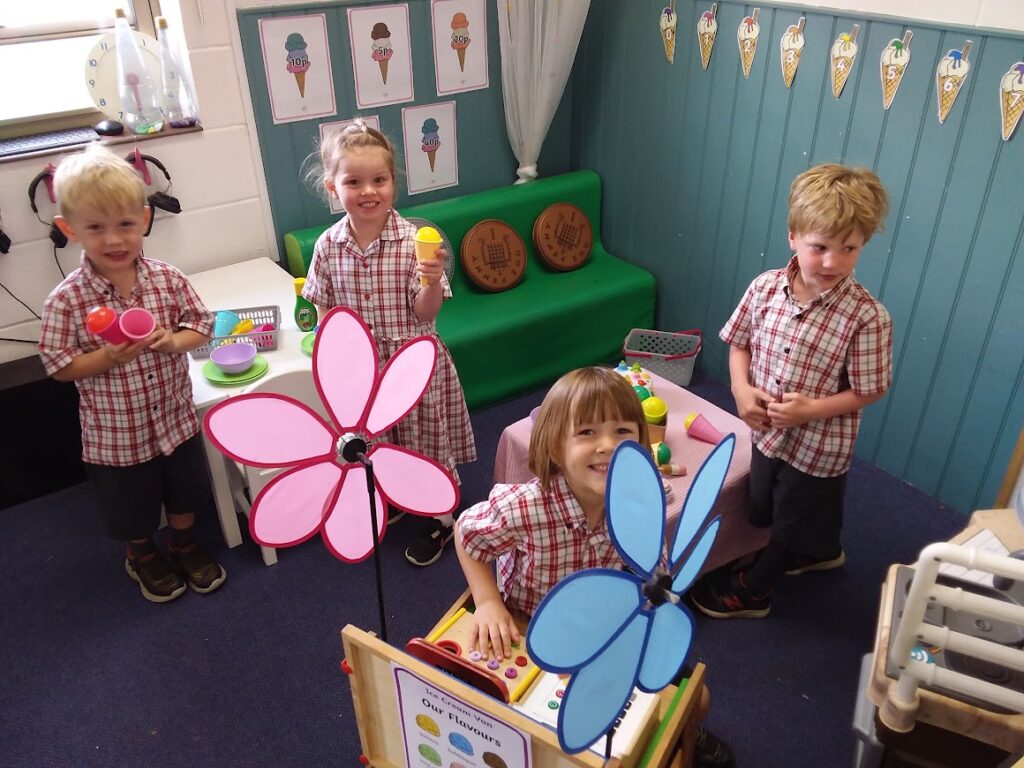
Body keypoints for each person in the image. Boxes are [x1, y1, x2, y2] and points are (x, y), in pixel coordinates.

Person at [456, 367, 734, 767]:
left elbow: (654, 565)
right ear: (554, 448)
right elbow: (467, 535)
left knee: (698, 700)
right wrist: (486, 602)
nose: (608, 445)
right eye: (587, 433)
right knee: (545, 731)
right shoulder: (526, 506)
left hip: (610, 628)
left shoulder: (640, 503)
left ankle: (680, 734)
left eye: (623, 432)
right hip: (531, 626)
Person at [691, 163, 892, 620]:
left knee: (795, 515)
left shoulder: (867, 317)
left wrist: (811, 410)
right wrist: (741, 390)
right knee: (763, 506)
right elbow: (739, 341)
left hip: (819, 447)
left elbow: (869, 389)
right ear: (793, 238)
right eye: (819, 247)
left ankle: (755, 591)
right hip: (766, 432)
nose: (832, 262)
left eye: (849, 249)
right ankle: (818, 550)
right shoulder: (765, 288)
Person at [38, 144, 225, 604]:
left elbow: (202, 325)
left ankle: (183, 542)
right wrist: (108, 358)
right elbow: (58, 366)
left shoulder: (167, 279)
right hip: (117, 438)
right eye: (96, 228)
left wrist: (172, 340)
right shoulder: (67, 300)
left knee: (184, 494)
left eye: (124, 225)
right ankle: (141, 554)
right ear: (70, 230)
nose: (114, 240)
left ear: (143, 220)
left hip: (175, 423)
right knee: (133, 509)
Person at [303, 120, 476, 567]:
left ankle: (442, 515)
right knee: (379, 441)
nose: (368, 191)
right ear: (332, 188)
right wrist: (334, 363)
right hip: (363, 371)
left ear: (393, 183)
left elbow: (426, 313)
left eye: (379, 179)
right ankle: (396, 494)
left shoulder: (413, 242)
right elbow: (325, 312)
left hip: (410, 363)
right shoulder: (327, 246)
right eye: (353, 181)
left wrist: (433, 280)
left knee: (424, 440)